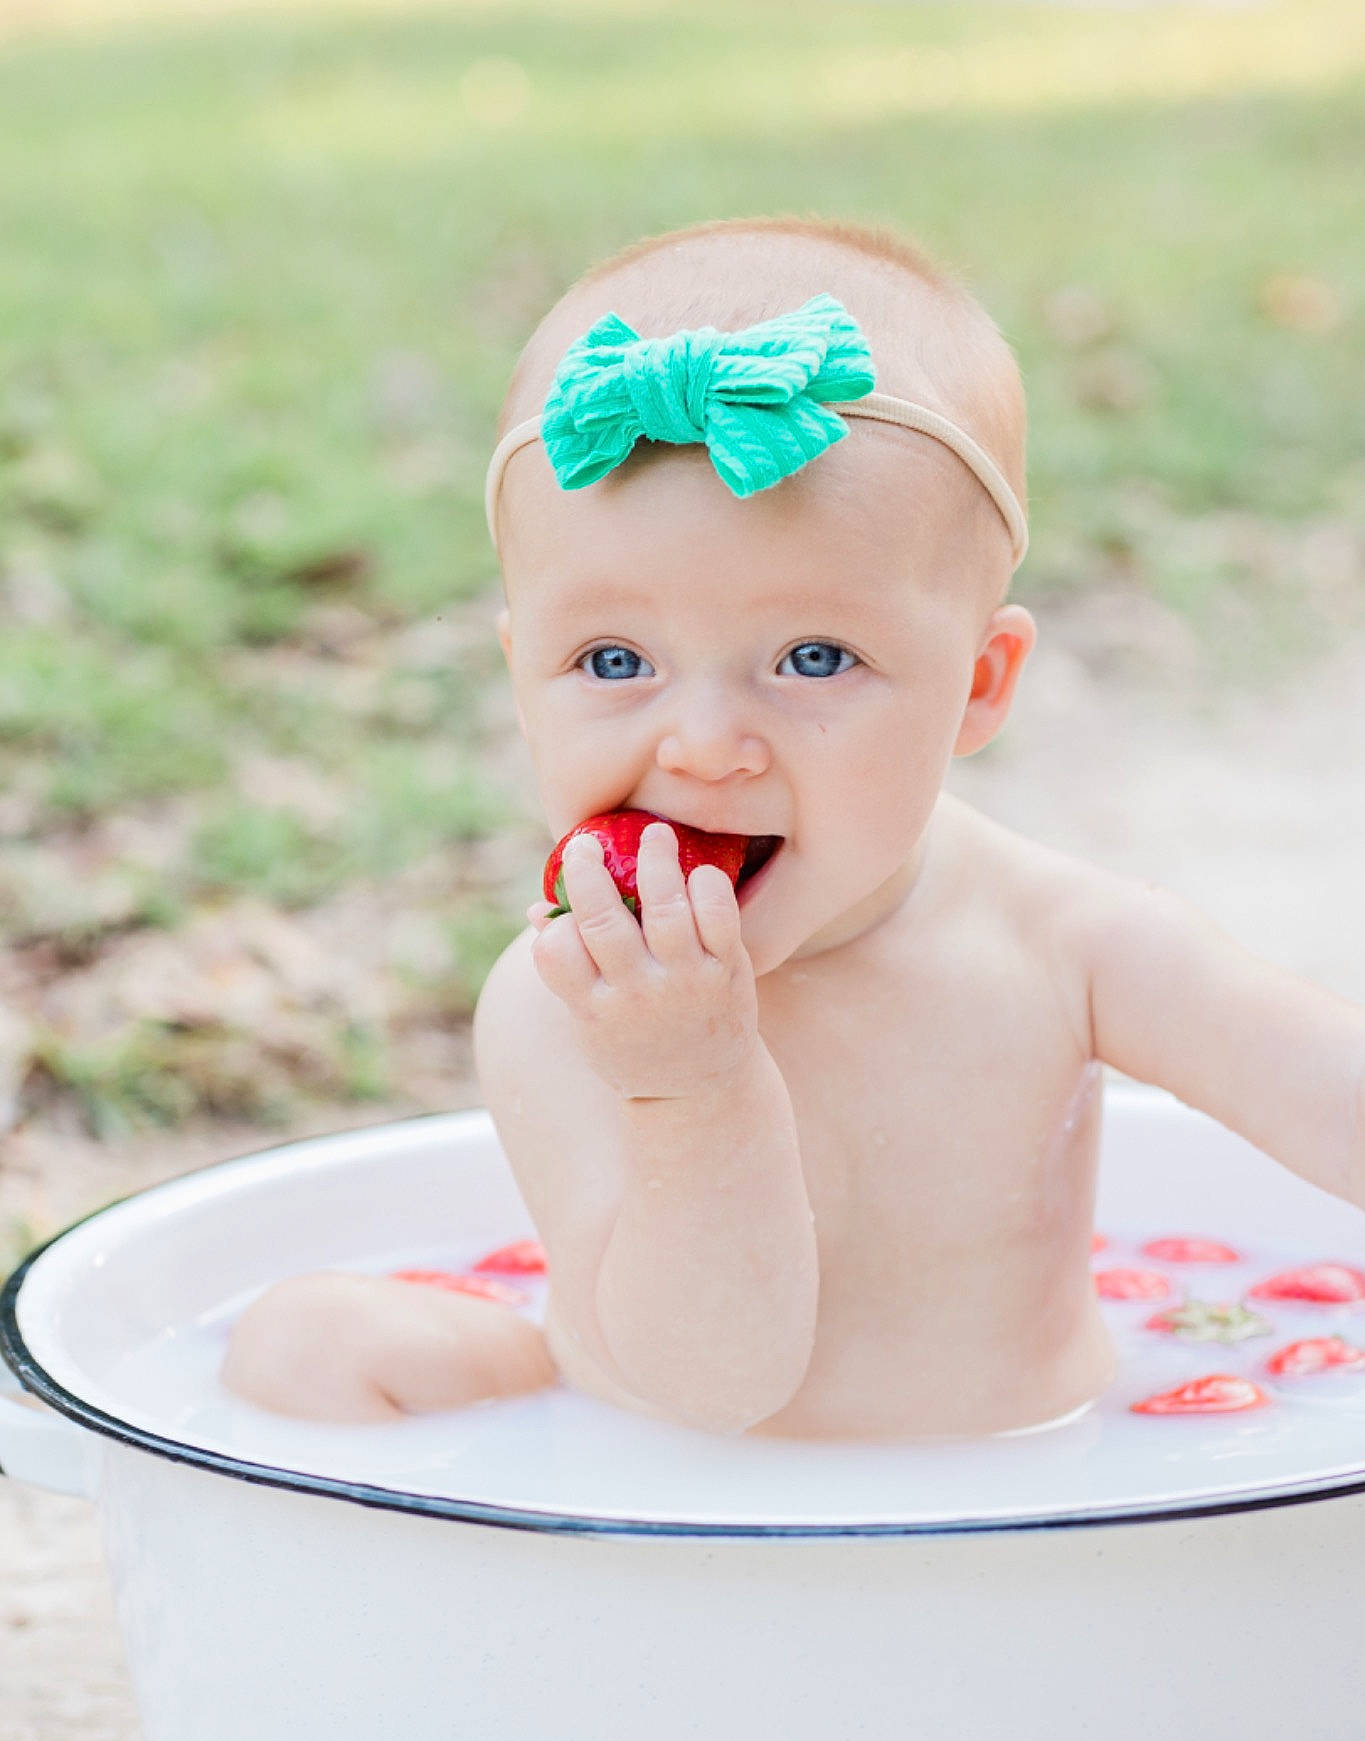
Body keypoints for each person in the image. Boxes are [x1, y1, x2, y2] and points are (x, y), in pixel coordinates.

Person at [220, 216, 1365, 1437]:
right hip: (658, 1478)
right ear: (521, 677)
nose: (704, 742)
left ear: (978, 683)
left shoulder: (1060, 944)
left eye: (813, 658)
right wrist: (690, 1088)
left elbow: (1328, 1092)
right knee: (304, 1346)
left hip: (1026, 1480)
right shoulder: (566, 1003)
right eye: (614, 658)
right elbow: (713, 1388)